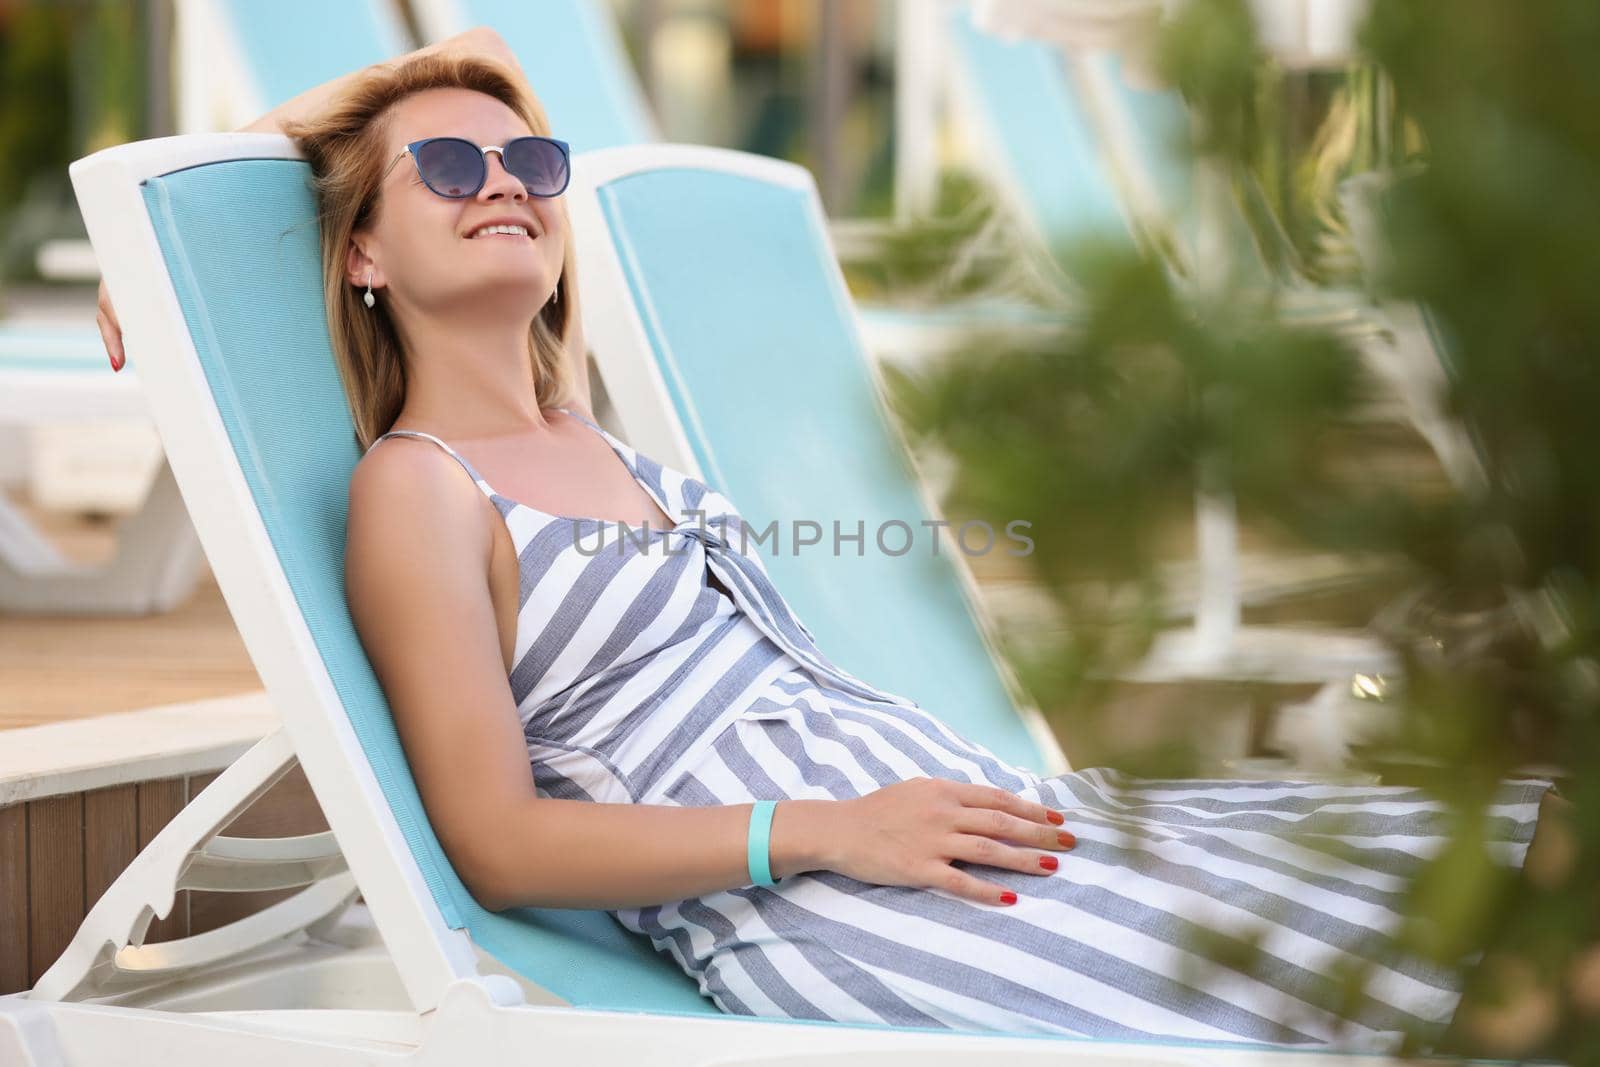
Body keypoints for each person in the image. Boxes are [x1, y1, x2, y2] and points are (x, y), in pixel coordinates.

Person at [94, 26, 1560, 1055]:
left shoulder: (596, 438)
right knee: (1432, 987)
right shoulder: (422, 490)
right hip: (828, 900)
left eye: (529, 162)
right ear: (359, 252)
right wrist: (828, 832)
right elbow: (493, 843)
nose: (508, 190)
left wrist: (906, 806)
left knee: (1506, 859)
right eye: (451, 172)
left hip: (959, 826)